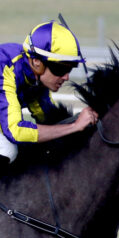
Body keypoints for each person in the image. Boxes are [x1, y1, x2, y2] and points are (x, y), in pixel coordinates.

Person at [0, 19, 98, 172]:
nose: (66, 77)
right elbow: (16, 131)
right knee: (8, 149)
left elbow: (49, 119)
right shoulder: (6, 69)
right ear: (36, 62)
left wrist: (84, 122)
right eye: (60, 69)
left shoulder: (36, 77)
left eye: (70, 69)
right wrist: (74, 126)